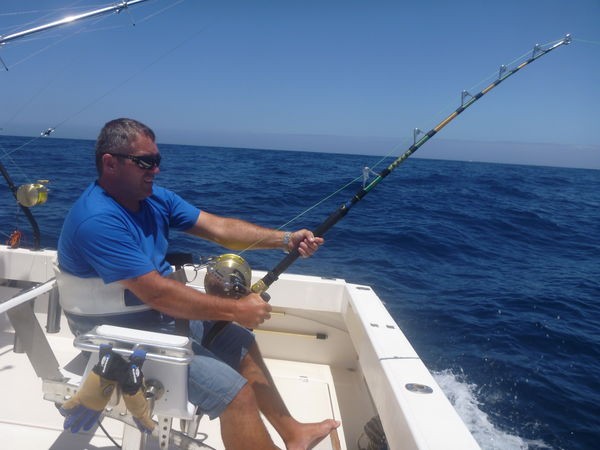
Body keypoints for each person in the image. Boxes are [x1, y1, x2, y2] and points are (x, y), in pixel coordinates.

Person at [57, 118, 340, 449]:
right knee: (236, 395)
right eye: (145, 162)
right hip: (114, 337)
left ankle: (293, 433)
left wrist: (285, 239)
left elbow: (220, 228)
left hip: (155, 317)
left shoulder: (154, 199)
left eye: (157, 160)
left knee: (240, 343)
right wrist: (235, 309)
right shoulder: (98, 220)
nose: (155, 169)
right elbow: (158, 293)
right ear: (110, 163)